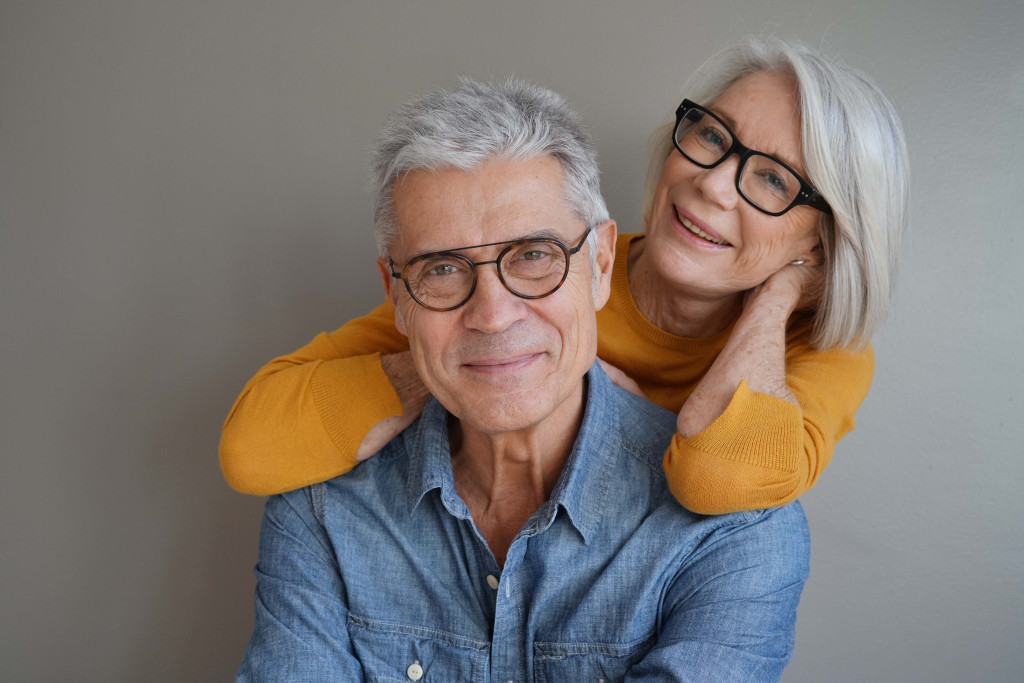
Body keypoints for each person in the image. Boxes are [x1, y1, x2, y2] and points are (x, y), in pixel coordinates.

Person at [235, 77, 809, 681]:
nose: (492, 315)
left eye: (534, 255)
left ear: (601, 265)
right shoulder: (321, 512)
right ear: (396, 299)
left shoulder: (736, 536)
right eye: (444, 268)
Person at [220, 36, 909, 513]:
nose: (713, 185)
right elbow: (252, 446)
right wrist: (459, 361)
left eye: (772, 179)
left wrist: (781, 291)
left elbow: (721, 476)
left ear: (823, 238)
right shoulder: (543, 267)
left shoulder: (820, 352)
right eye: (711, 136)